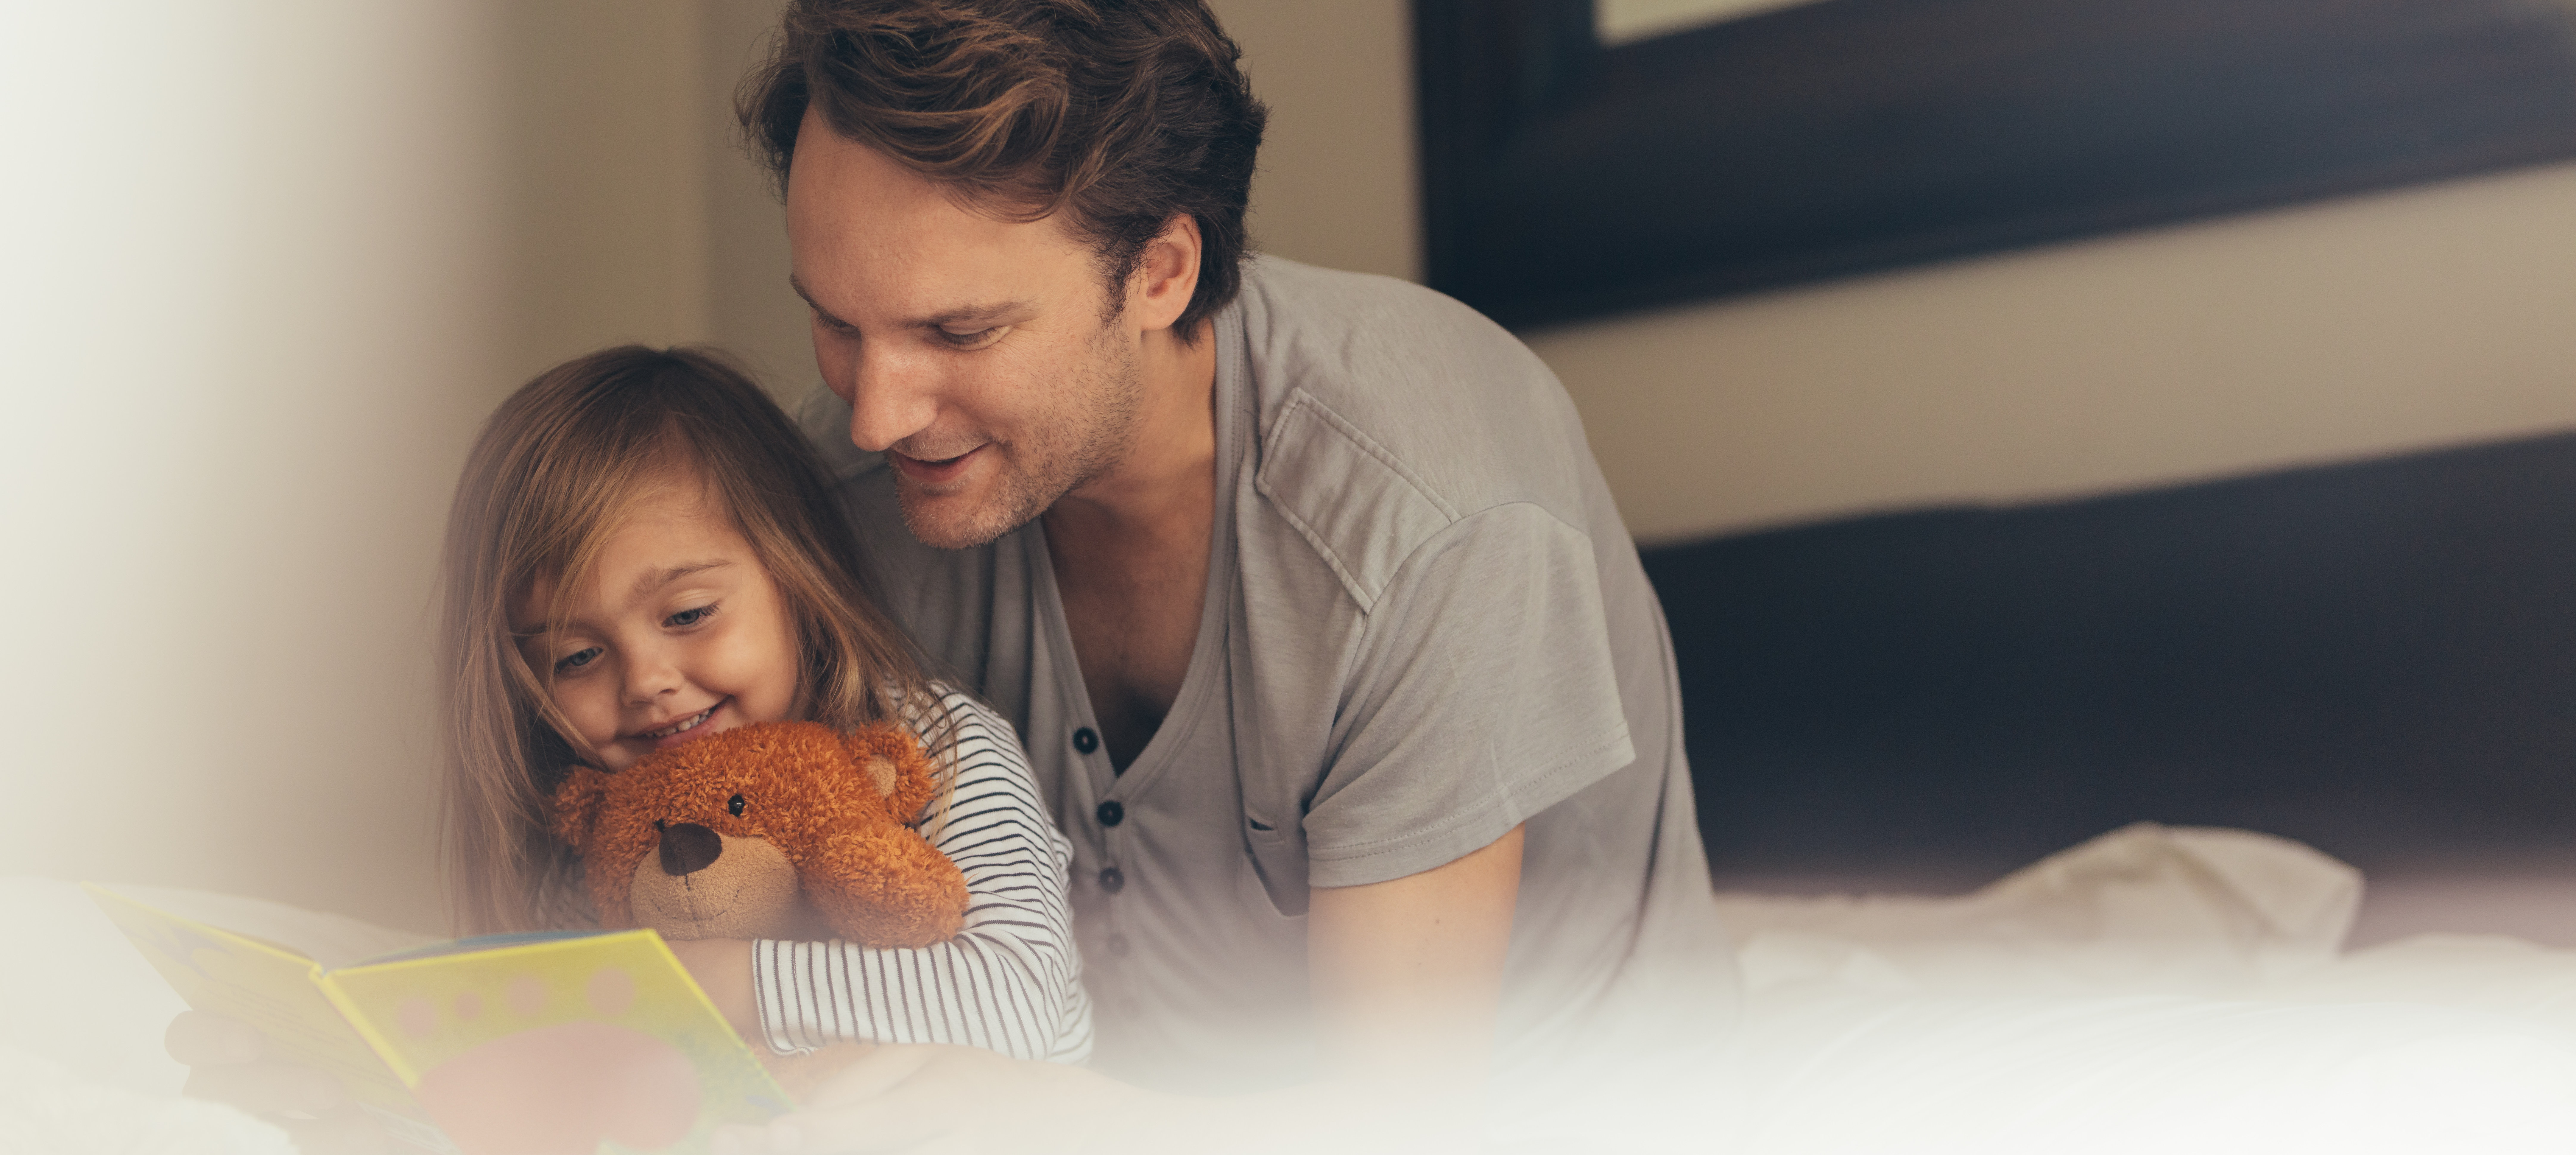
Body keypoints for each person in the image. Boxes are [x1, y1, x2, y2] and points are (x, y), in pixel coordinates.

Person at [698, 1, 1742, 1151]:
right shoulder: (847, 501)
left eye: (957, 333)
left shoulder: (1429, 511)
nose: (878, 411)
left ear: (1158, 271)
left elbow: (1403, 1126)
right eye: (836, 323)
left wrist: (1009, 1111)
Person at [169, 346, 1096, 1151]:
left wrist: (696, 983)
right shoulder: (600, 842)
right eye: (577, 655)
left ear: (795, 574)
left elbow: (1010, 1010)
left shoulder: (936, 750)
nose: (645, 677)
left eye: (689, 614)